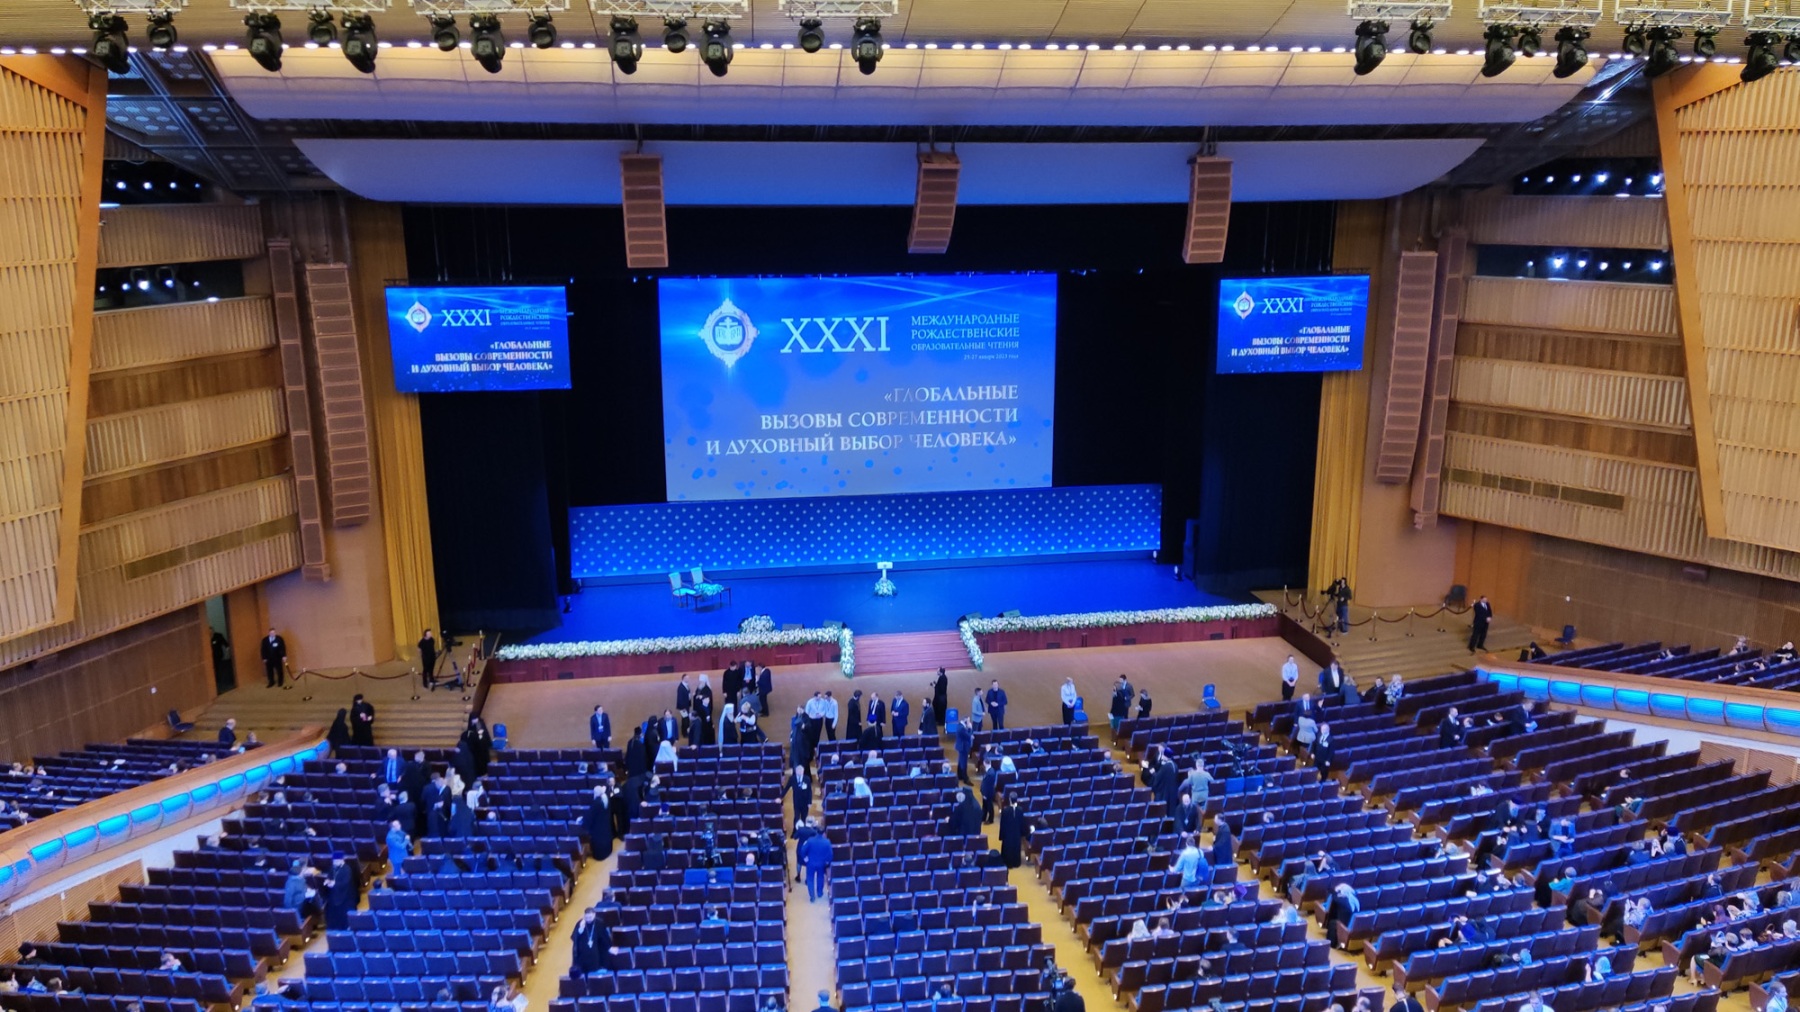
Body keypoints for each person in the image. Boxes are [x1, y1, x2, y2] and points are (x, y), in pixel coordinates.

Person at [570, 907, 613, 975]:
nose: (588, 919)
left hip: (596, 953)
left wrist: (609, 947)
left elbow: (604, 937)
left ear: (594, 915)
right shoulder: (580, 923)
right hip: (583, 954)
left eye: (590, 917)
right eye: (586, 917)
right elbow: (574, 938)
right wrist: (580, 929)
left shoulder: (599, 923)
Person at [799, 824, 833, 902]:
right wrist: (827, 862)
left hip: (810, 863)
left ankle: (812, 897)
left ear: (816, 831)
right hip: (821, 863)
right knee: (820, 877)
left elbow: (803, 850)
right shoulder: (827, 842)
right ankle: (819, 893)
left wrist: (805, 858)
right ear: (824, 833)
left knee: (810, 879)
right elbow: (830, 854)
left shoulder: (810, 840)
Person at [998, 794, 1030, 868]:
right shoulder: (1020, 810)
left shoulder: (1005, 811)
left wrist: (1001, 836)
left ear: (1010, 800)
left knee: (1007, 848)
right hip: (1016, 834)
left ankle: (1007, 863)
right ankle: (1016, 863)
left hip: (1007, 835)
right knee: (1016, 848)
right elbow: (1022, 823)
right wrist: (1023, 833)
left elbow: (1002, 824)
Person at [584, 785, 613, 860]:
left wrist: (583, 820)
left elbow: (589, 817)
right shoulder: (605, 798)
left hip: (598, 831)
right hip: (605, 827)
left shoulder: (596, 803)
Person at [954, 718, 974, 784]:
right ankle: (965, 779)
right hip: (963, 748)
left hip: (961, 747)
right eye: (968, 721)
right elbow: (968, 736)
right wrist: (970, 728)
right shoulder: (962, 728)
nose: (969, 722)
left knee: (960, 761)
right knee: (964, 763)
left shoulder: (960, 726)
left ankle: (960, 775)